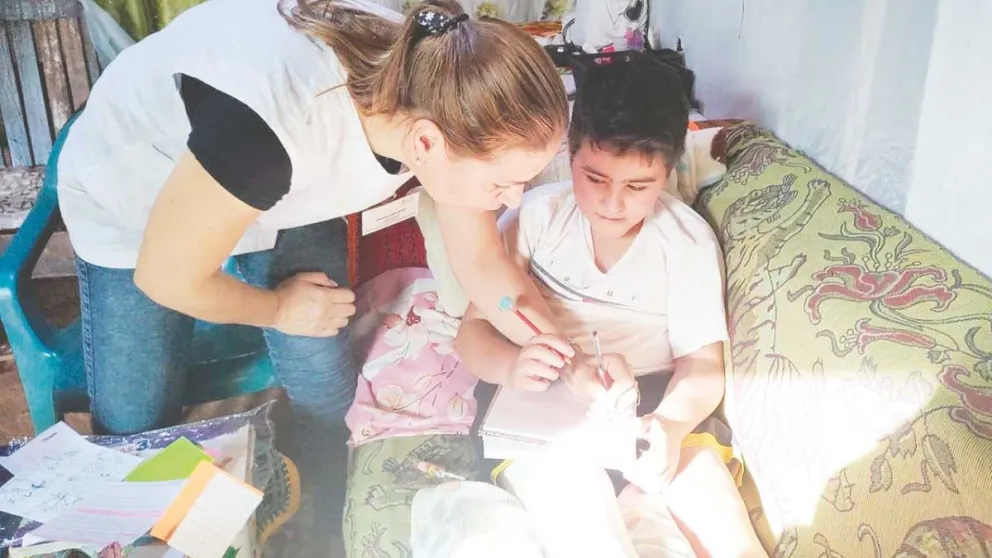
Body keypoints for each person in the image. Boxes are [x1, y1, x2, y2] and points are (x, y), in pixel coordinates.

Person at [55, 0, 571, 542]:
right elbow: (166, 278)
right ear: (424, 143)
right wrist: (279, 308)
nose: (515, 199)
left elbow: (484, 262)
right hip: (139, 190)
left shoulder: (445, 90)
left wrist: (563, 352)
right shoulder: (278, 129)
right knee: (135, 421)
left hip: (283, 185)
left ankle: (317, 513)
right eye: (501, 185)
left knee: (322, 371)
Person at [454, 53, 767, 557]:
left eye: (638, 186)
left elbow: (703, 367)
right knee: (584, 533)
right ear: (569, 154)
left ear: (668, 171)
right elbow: (472, 332)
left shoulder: (685, 243)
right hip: (542, 404)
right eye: (594, 178)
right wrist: (513, 364)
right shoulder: (536, 219)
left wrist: (670, 423)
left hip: (656, 406)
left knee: (724, 531)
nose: (612, 203)